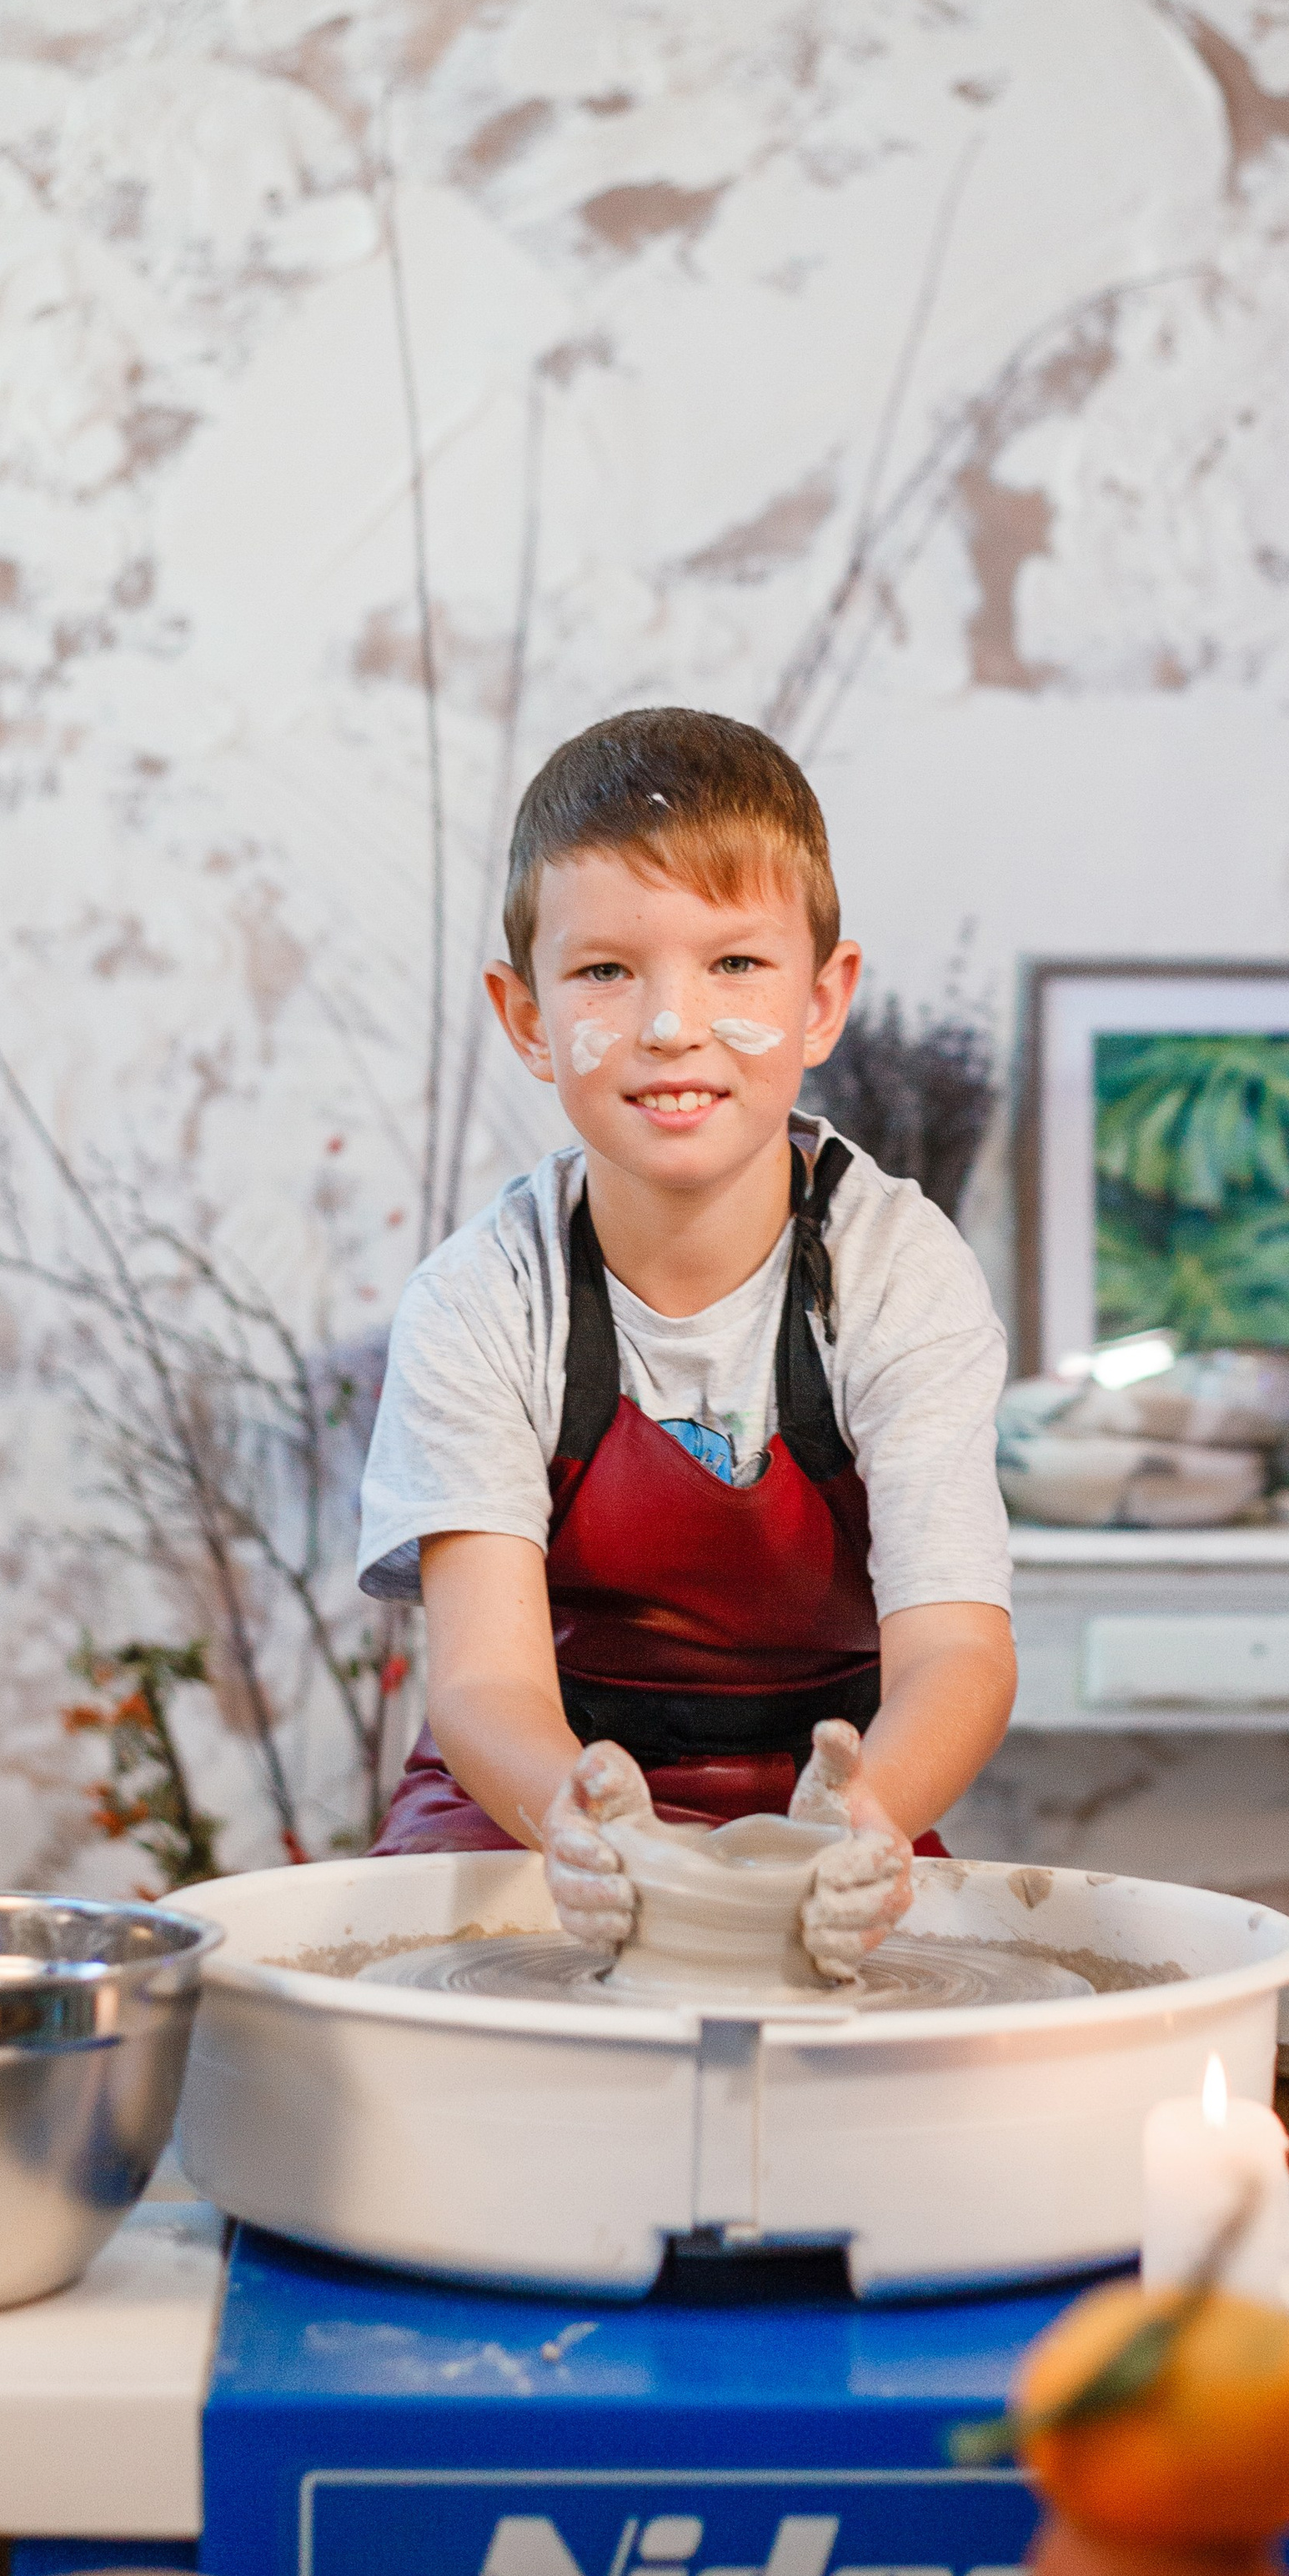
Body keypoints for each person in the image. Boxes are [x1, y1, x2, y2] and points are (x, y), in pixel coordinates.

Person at [356, 705, 1015, 1977]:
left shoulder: (897, 1272)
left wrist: (869, 1815)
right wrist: (579, 1827)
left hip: (828, 1786)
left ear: (825, 1001)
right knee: (439, 2051)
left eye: (735, 966)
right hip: (539, 1792)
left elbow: (956, 1651)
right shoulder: (484, 1298)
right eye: (606, 971)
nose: (671, 1025)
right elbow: (486, 1686)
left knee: (909, 2067)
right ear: (529, 1016)